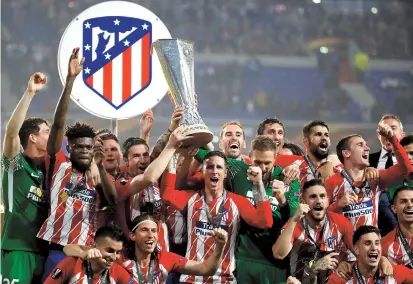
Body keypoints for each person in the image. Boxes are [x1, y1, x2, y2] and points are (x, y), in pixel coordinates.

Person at [38, 48, 118, 280]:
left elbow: (112, 200)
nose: (84, 151)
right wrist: (71, 81)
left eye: (88, 147)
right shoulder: (59, 164)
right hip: (55, 249)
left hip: (87, 252)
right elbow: (58, 123)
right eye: (79, 147)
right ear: (69, 147)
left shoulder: (98, 173)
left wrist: (99, 166)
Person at [193, 136, 300, 284]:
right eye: (257, 162)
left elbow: (294, 217)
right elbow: (202, 154)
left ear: (276, 158)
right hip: (243, 259)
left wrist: (282, 200)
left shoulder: (289, 178)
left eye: (267, 163)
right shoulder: (238, 169)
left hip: (274, 262)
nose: (262, 168)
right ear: (249, 157)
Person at [161, 150, 274, 283]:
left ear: (225, 173)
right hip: (192, 279)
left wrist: (258, 184)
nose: (214, 171)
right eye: (209, 167)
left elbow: (265, 221)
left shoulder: (237, 202)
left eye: (219, 167)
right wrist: (170, 156)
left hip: (224, 279)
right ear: (202, 171)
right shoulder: (191, 197)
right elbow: (166, 196)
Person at [64, 214, 228, 283]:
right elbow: (68, 250)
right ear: (132, 236)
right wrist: (85, 252)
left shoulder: (166, 258)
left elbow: (207, 269)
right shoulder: (118, 257)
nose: (151, 235)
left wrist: (219, 247)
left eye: (154, 231)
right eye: (144, 230)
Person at [1, 72, 49, 283]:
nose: (52, 135)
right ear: (32, 137)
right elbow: (11, 134)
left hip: (45, 252)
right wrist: (30, 93)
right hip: (17, 250)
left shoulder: (51, 170)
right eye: (47, 132)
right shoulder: (16, 164)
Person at [325, 123, 412, 235]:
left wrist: (392, 139)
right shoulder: (332, 182)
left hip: (370, 248)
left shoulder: (376, 178)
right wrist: (338, 205)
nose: (367, 148)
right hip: (342, 249)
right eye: (360, 145)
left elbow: (406, 168)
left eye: (366, 145)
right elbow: (317, 216)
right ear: (346, 153)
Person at [273, 179, 354, 283]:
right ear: (303, 202)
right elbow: (279, 254)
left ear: (328, 200)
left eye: (322, 196)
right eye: (313, 197)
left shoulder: (339, 222)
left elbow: (359, 251)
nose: (318, 201)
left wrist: (346, 262)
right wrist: (293, 220)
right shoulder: (295, 224)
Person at [44, 225, 133, 283]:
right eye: (109, 250)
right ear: (94, 245)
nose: (114, 257)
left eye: (118, 252)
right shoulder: (72, 264)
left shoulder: (117, 271)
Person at [326, 225, 413, 283]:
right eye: (367, 243)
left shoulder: (393, 273)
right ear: (356, 249)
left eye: (377, 243)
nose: (374, 248)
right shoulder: (342, 277)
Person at [369, 115, 406, 236]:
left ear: (402, 135)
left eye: (393, 128)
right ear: (378, 135)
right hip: (375, 221)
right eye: (383, 130)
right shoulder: (365, 161)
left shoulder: (409, 162)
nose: (388, 133)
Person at [275, 120, 341, 184]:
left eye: (327, 135)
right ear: (305, 141)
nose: (324, 138)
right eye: (318, 134)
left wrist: (329, 162)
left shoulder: (338, 167)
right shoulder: (291, 161)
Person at [381, 180, 413, 269]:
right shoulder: (384, 245)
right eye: (403, 201)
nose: (410, 205)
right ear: (394, 208)